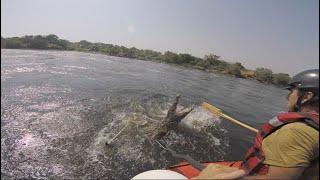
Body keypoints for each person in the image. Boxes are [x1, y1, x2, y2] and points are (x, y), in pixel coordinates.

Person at [194, 69, 319, 179]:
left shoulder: (296, 132)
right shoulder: (311, 128)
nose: (288, 97)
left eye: (291, 92)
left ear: (307, 96)